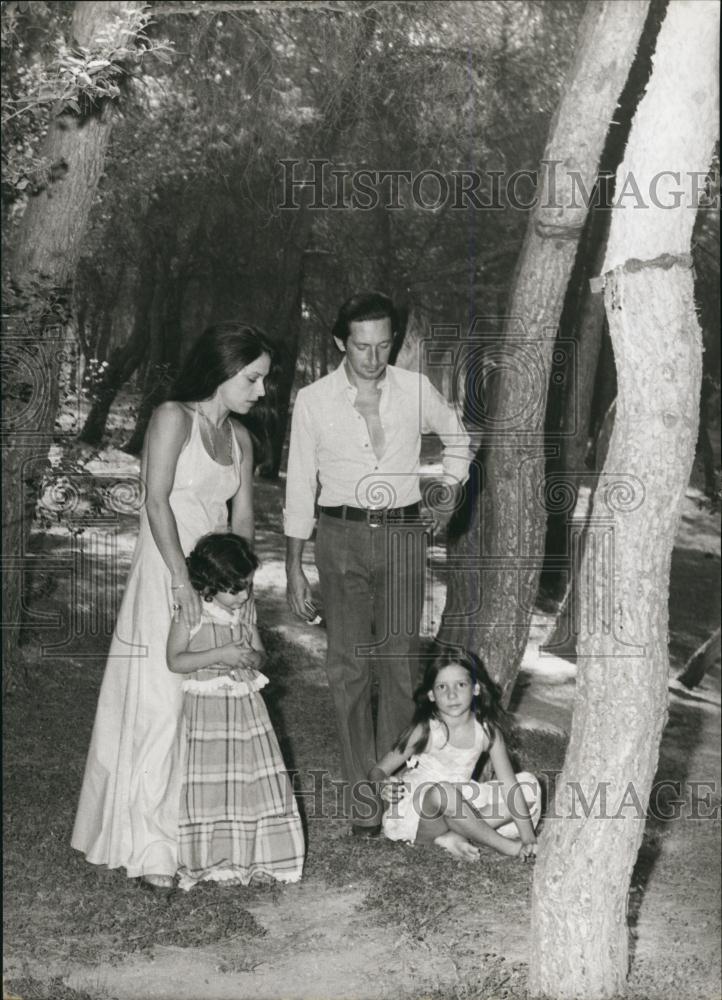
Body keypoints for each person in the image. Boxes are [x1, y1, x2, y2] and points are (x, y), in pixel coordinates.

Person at [72, 322, 275, 888]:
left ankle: (196, 838)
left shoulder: (242, 439)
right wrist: (181, 582)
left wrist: (244, 596)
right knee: (161, 704)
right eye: (253, 378)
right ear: (223, 368)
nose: (260, 391)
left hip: (215, 579)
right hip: (167, 573)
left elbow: (242, 520)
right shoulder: (171, 417)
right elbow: (155, 500)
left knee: (205, 705)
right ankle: (150, 848)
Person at [284, 291, 472, 835]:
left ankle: (396, 797)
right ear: (342, 342)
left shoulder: (415, 389)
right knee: (348, 667)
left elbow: (459, 439)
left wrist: (449, 489)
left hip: (402, 535)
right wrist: (295, 565)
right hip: (338, 534)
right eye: (362, 346)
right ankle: (362, 799)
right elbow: (300, 484)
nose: (373, 357)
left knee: (397, 665)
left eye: (383, 345)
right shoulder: (314, 400)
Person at [167, 533, 304, 889]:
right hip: (208, 715)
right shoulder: (191, 613)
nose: (243, 595)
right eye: (236, 589)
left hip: (245, 710)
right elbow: (175, 660)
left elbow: (260, 654)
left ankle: (259, 856)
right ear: (209, 584)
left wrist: (251, 658)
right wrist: (220, 656)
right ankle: (214, 861)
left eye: (247, 587)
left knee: (251, 781)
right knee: (212, 787)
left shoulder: (243, 611)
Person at [369, 650, 541, 861]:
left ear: (476, 688)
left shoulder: (487, 732)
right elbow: (378, 770)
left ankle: (453, 836)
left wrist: (529, 839)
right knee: (443, 793)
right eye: (442, 687)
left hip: (463, 802)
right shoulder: (425, 729)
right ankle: (505, 846)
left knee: (529, 787)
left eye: (460, 685)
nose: (452, 694)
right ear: (432, 694)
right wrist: (383, 785)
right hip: (421, 812)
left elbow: (509, 785)